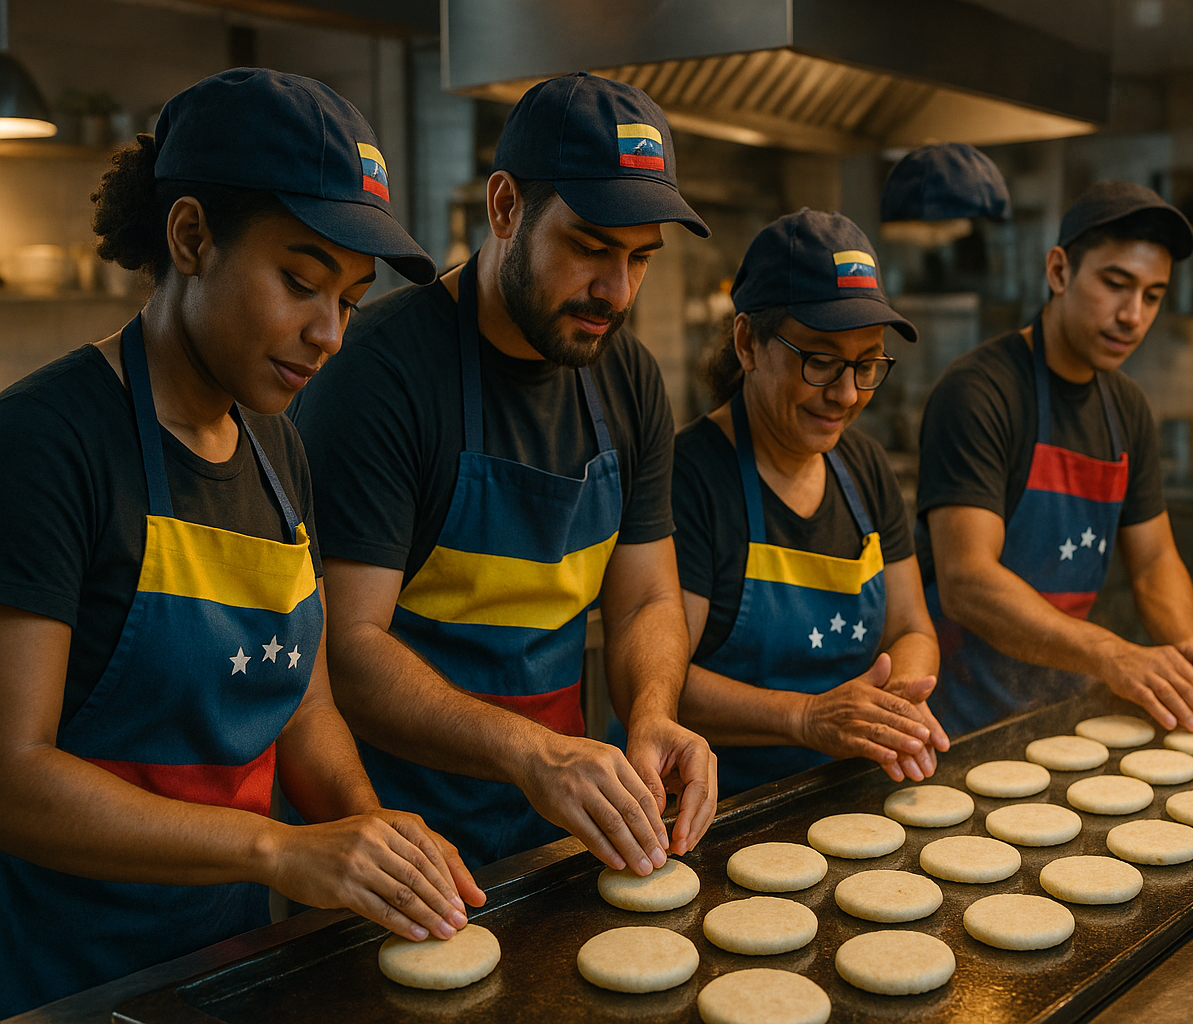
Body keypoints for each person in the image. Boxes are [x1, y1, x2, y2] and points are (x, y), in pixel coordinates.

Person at [0, 69, 481, 1015]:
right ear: (190, 237)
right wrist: (280, 846)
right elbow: (13, 775)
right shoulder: (46, 445)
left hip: (225, 967)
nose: (330, 333)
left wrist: (369, 822)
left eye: (348, 299)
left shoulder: (275, 448)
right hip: (66, 983)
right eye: (300, 282)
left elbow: (301, 710)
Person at [289, 73, 716, 874]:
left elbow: (650, 598)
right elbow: (346, 647)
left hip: (561, 833)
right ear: (506, 208)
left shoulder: (628, 378)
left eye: (640, 260)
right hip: (394, 836)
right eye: (590, 248)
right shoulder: (381, 374)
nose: (615, 292)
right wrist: (534, 755)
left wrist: (652, 715)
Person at [918, 181, 1193, 737]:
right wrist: (1110, 653)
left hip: (1063, 719)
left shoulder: (1127, 409)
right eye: (1116, 284)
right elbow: (966, 579)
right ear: (1059, 271)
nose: (1132, 316)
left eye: (1152, 295)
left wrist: (1184, 647)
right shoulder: (981, 392)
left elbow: (1154, 560)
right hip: (955, 727)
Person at [673, 209, 948, 797]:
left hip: (843, 794)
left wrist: (892, 706)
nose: (847, 394)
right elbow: (662, 685)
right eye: (820, 360)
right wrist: (805, 717)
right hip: (711, 812)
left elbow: (912, 627)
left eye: (868, 363)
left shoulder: (866, 466)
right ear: (748, 342)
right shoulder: (690, 476)